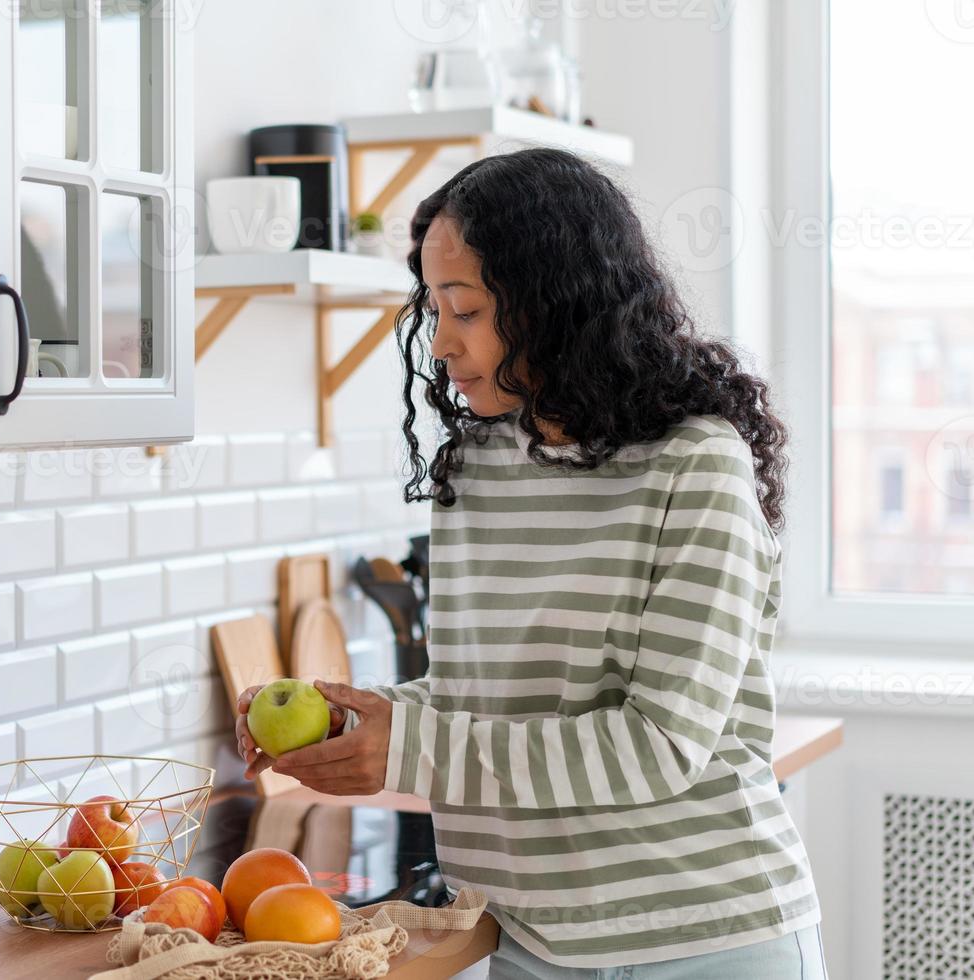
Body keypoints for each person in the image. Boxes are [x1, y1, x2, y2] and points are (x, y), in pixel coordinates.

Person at [234, 149, 826, 977]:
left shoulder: (695, 464)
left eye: (466, 310)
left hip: (704, 937)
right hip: (528, 939)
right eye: (433, 308)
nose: (439, 342)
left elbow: (657, 745)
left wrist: (405, 747)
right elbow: (481, 696)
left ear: (558, 302)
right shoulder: (475, 467)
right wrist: (349, 719)